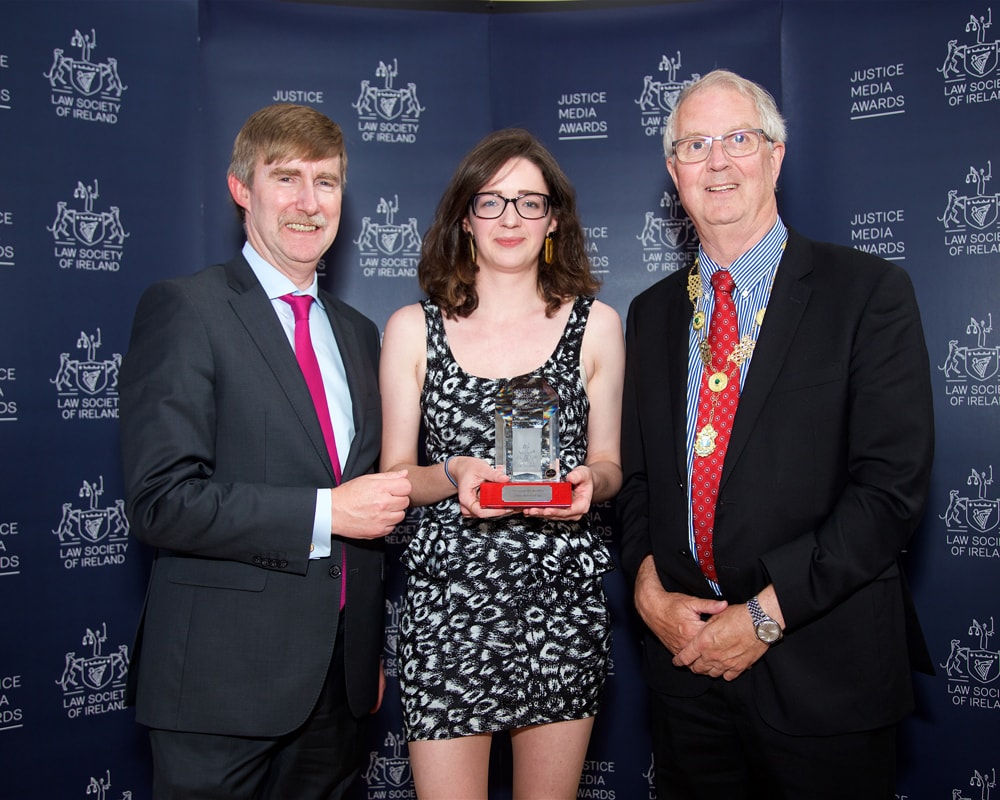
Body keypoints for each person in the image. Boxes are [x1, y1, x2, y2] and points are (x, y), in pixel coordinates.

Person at [617, 70, 934, 799]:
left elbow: (889, 492)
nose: (718, 161)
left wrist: (763, 615)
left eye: (738, 139)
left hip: (824, 674)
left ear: (776, 156)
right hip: (686, 671)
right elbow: (636, 484)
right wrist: (645, 590)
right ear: (674, 172)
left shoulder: (868, 295)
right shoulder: (653, 313)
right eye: (695, 145)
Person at [119, 103, 411, 799]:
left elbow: (369, 499)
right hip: (219, 689)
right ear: (241, 189)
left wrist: (361, 647)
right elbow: (162, 502)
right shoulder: (186, 309)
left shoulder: (359, 332)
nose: (309, 204)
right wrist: (325, 512)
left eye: (328, 182)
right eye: (287, 179)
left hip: (338, 692)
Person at [379, 128, 625, 799]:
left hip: (559, 600)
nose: (510, 219)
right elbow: (398, 474)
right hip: (447, 606)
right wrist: (455, 472)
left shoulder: (596, 325)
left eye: (529, 202)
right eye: (491, 202)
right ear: (464, 216)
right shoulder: (412, 328)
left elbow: (609, 465)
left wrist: (588, 485)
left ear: (554, 219)